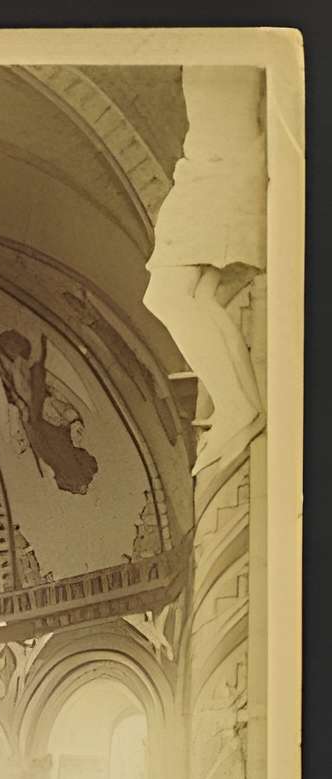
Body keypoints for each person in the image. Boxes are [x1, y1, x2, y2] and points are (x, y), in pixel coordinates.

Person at [144, 67, 266, 476]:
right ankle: (243, 408)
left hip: (215, 172)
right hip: (213, 169)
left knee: (165, 295)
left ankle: (239, 408)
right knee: (198, 297)